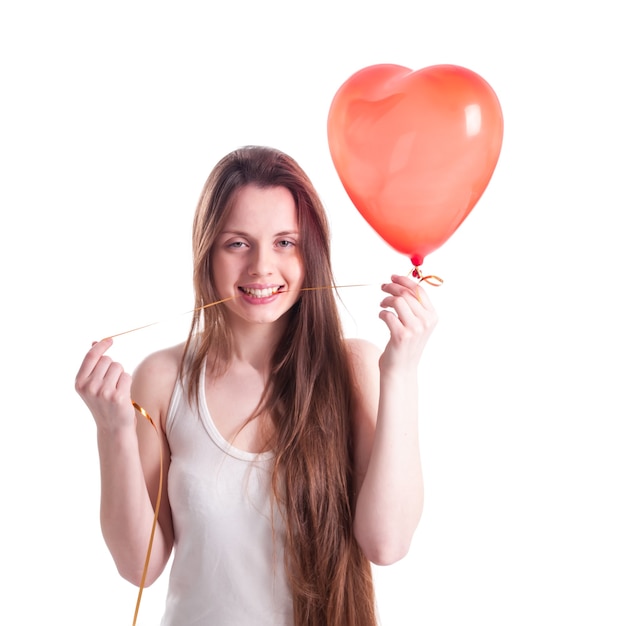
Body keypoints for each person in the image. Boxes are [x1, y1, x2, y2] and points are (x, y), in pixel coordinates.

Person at [75, 145, 438, 626]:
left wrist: (402, 371)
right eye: (238, 243)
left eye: (285, 242)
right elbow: (138, 566)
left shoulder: (355, 367)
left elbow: (386, 543)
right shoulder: (163, 379)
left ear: (311, 253)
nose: (262, 267)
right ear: (208, 252)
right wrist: (114, 432)